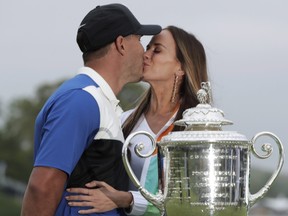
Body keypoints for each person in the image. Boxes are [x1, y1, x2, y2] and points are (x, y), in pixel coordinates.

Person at [21, 3, 161, 216]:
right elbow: (42, 187)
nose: (144, 51)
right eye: (140, 40)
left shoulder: (97, 101)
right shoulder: (82, 100)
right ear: (121, 44)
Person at [65, 25, 210, 216]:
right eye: (147, 47)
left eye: (157, 50)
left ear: (181, 67)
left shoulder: (198, 129)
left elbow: (193, 200)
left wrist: (126, 199)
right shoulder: (123, 120)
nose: (146, 54)